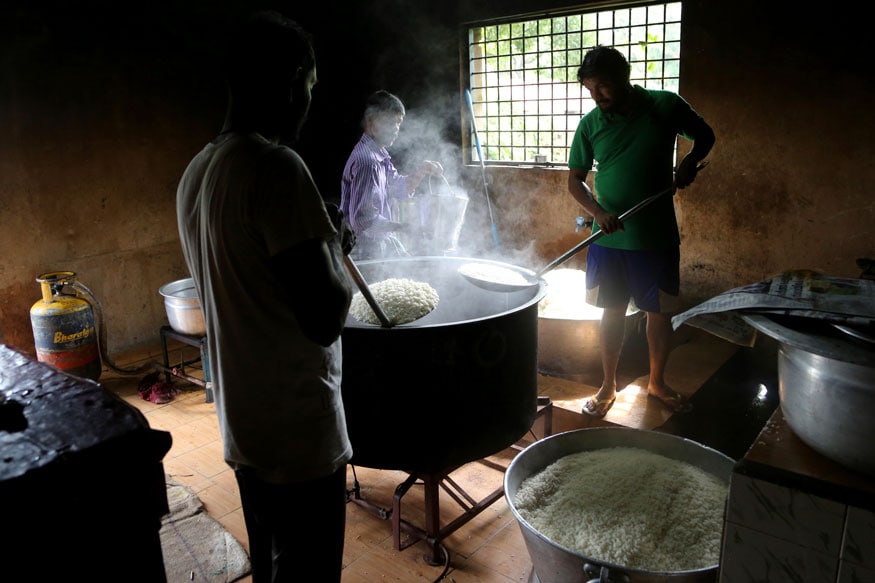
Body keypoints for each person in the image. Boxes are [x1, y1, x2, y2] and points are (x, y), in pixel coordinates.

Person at [175, 11, 354, 582]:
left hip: (243, 420)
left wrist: (317, 240)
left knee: (272, 564)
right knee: (310, 570)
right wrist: (334, 249)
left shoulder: (197, 172)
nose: (308, 101)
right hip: (296, 429)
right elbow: (325, 314)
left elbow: (252, 280)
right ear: (288, 79)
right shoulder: (276, 166)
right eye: (308, 86)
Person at [567, 45, 715, 418]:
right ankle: (607, 385)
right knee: (611, 312)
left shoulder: (664, 106)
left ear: (623, 78)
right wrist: (598, 212)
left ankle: (657, 382)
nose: (595, 96)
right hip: (609, 238)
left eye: (602, 86)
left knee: (658, 313)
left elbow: (705, 136)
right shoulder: (590, 124)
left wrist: (688, 162)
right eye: (589, 88)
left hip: (655, 237)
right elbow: (575, 182)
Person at [340, 90, 444, 259]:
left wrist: (422, 171)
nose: (396, 129)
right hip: (362, 251)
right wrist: (404, 227)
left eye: (398, 123)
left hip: (378, 243)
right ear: (372, 122)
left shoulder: (380, 155)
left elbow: (397, 187)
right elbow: (363, 222)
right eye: (391, 122)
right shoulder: (367, 161)